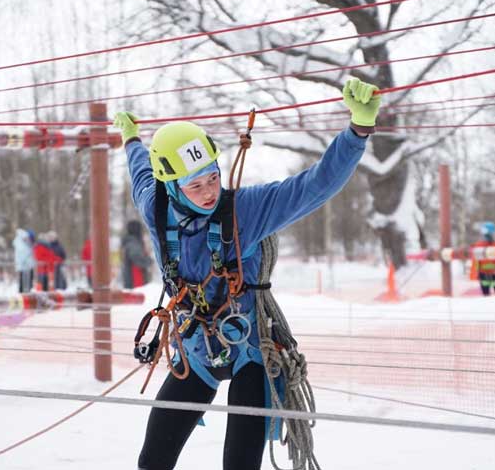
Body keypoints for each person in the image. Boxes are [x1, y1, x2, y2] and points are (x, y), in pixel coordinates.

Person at [113, 76, 380, 470]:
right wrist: (131, 138)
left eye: (212, 178)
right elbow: (140, 170)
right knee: (153, 460)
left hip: (249, 351)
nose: (208, 192)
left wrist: (358, 130)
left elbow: (314, 186)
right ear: (170, 186)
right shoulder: (155, 207)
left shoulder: (244, 211)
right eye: (194, 186)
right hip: (196, 351)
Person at [469, 222, 495, 296]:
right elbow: (475, 261)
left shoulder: (480, 246)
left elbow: (475, 262)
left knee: (490, 296)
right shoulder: (494, 246)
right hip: (491, 274)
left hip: (488, 274)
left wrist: (473, 274)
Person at [121, 220, 152, 289]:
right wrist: (149, 261)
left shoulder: (130, 241)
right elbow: (137, 259)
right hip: (135, 281)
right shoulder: (133, 243)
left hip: (132, 280)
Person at [13, 228, 35, 293]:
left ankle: (27, 290)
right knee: (23, 280)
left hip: (28, 265)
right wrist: (28, 262)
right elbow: (24, 255)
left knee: (28, 279)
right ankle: (22, 292)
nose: (27, 239)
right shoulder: (20, 245)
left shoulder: (25, 244)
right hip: (24, 265)